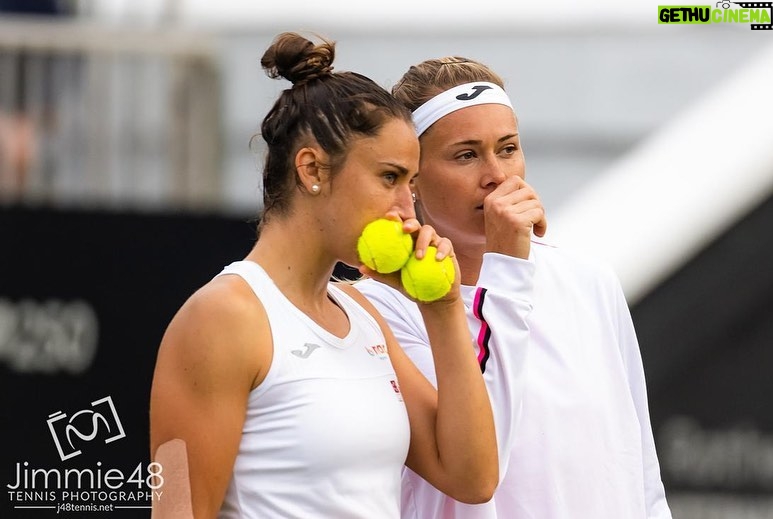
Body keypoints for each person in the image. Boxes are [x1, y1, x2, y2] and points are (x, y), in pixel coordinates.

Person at [148, 35, 498, 519]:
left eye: (411, 185)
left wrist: (441, 312)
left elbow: (473, 478)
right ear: (312, 168)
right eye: (390, 178)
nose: (407, 209)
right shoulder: (223, 317)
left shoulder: (362, 313)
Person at [356, 56, 672, 518]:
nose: (498, 176)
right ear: (414, 179)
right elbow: (478, 467)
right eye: (466, 155)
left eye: (507, 149)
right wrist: (506, 267)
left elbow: (639, 468)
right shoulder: (376, 311)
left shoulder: (590, 281)